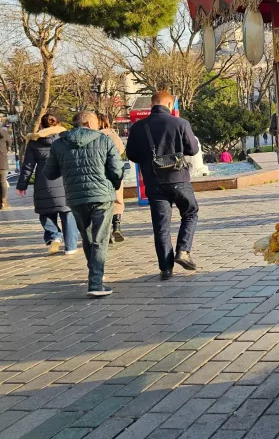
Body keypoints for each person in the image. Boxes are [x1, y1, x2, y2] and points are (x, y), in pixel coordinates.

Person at [44, 111, 123, 297]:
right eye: (95, 123)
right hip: (102, 196)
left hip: (76, 197)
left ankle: (94, 274)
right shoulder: (104, 140)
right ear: (88, 123)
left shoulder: (59, 144)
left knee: (87, 238)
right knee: (100, 239)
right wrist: (114, 184)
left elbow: (50, 173)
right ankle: (95, 283)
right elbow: (116, 170)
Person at [126, 90, 201, 280]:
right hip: (178, 179)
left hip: (153, 182)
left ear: (152, 105)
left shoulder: (137, 127)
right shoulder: (180, 123)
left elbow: (131, 155)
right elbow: (192, 149)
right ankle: (183, 251)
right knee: (190, 213)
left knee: (161, 226)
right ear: (169, 105)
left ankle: (165, 269)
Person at [15, 114, 78, 255]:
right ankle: (71, 246)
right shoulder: (66, 138)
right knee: (67, 212)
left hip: (44, 180)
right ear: (58, 124)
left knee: (46, 212)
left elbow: (28, 166)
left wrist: (21, 185)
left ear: (42, 126)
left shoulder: (34, 142)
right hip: (65, 179)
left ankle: (54, 236)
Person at [98, 116, 127, 243]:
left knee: (102, 203)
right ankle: (117, 226)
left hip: (99, 172)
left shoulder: (94, 137)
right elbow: (121, 149)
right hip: (115, 171)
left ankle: (107, 231)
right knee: (117, 200)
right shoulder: (113, 135)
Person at [0, 117, 11, 210]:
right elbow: (9, 143)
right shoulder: (4, 132)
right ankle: (3, 201)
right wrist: (4, 151)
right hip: (2, 160)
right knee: (2, 181)